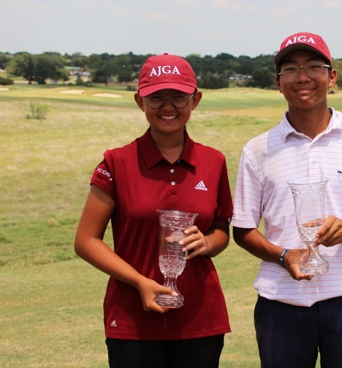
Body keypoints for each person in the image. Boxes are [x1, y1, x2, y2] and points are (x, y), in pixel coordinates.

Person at [231, 32, 342, 368]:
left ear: (331, 76)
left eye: (314, 67)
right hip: (281, 301)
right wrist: (283, 255)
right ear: (278, 83)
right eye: (290, 70)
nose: (302, 77)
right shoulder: (258, 150)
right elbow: (243, 230)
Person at [74, 53, 233, 368]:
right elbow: (86, 241)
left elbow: (220, 229)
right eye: (156, 97)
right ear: (139, 101)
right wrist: (139, 282)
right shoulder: (116, 162)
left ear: (195, 99)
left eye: (178, 97)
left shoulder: (213, 161)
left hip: (200, 318)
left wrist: (208, 243)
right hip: (133, 318)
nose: (168, 106)